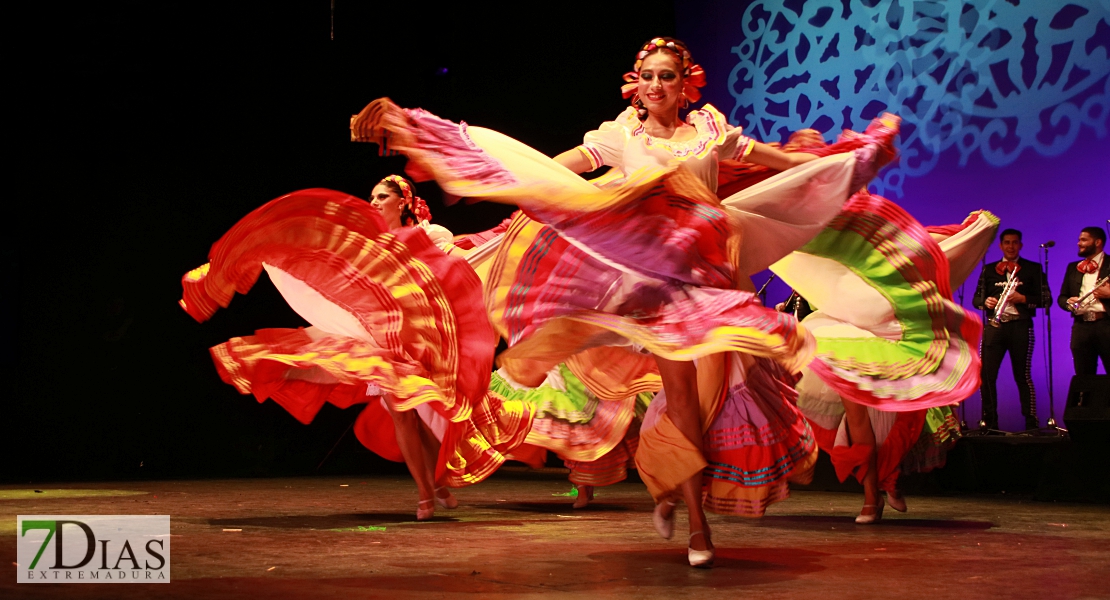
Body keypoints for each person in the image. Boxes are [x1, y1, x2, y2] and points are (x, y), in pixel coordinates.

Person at [349, 37, 932, 568]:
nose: (656, 86)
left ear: (685, 85)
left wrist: (855, 157)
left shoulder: (710, 132)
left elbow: (781, 162)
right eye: (647, 77)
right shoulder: (619, 135)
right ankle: (697, 526)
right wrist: (509, 181)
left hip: (715, 282)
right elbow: (556, 170)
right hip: (653, 291)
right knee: (682, 405)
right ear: (636, 84)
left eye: (667, 77)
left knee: (733, 394)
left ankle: (665, 484)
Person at [180, 179, 532, 521]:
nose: (375, 202)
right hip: (375, 341)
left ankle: (436, 485)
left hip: (417, 341)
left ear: (403, 202)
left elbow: (452, 273)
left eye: (382, 196)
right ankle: (427, 492)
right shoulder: (368, 244)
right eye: (372, 196)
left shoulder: (429, 234)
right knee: (401, 411)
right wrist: (268, 246)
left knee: (411, 411)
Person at [795, 209, 997, 522]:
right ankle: (871, 494)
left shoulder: (891, 244)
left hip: (887, 335)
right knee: (857, 418)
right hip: (843, 335)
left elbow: (937, 242)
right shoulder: (831, 240)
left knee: (895, 421)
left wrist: (974, 226)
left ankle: (888, 479)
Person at [971, 228, 1051, 431]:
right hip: (995, 328)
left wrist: (1023, 299)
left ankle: (1031, 423)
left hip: (1021, 326)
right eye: (1007, 242)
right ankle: (989, 422)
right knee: (986, 376)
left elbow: (1046, 299)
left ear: (1020, 245)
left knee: (1022, 375)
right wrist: (986, 302)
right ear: (1001, 246)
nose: (1011, 246)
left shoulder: (1032, 268)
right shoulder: (988, 269)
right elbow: (976, 300)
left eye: (1015, 242)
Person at [1058, 226, 1110, 375]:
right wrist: (1068, 303)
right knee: (1084, 376)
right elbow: (1062, 297)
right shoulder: (1073, 267)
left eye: (1084, 240)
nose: (1079, 243)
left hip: (1106, 325)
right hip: (1081, 327)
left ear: (1097, 242)